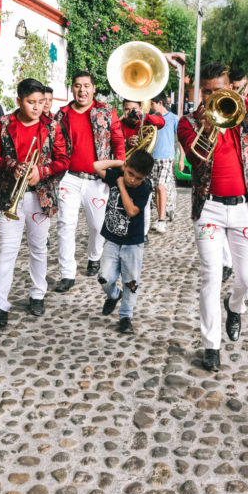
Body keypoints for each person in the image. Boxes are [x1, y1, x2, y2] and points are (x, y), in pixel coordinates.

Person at [177, 59, 248, 372]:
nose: (214, 97)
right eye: (208, 92)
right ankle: (211, 345)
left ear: (230, 87)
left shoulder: (247, 110)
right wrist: (208, 128)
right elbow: (196, 161)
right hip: (209, 208)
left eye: (219, 90)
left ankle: (235, 305)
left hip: (245, 208)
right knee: (211, 276)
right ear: (201, 92)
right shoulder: (189, 122)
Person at [0, 78, 70, 328]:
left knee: (38, 248)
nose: (37, 107)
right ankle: (0, 304)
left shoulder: (52, 126)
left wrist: (42, 171)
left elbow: (63, 159)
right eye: (31, 102)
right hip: (10, 196)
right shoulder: (4, 123)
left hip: (40, 197)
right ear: (19, 101)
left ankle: (37, 294)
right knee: (7, 250)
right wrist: (11, 165)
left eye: (41, 102)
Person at [53, 71, 126, 292]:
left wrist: (120, 165)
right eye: (77, 86)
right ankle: (67, 273)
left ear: (93, 88)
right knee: (66, 224)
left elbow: (117, 140)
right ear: (72, 89)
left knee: (97, 225)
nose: (82, 90)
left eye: (86, 86)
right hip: (70, 178)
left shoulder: (106, 111)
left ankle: (94, 257)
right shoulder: (62, 114)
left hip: (98, 180)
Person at [93, 150, 154, 334]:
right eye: (130, 174)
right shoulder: (118, 174)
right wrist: (120, 164)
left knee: (131, 282)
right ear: (126, 167)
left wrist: (121, 185)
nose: (133, 180)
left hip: (133, 244)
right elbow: (96, 166)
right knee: (104, 276)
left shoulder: (144, 188)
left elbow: (131, 211)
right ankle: (113, 295)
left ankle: (125, 316)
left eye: (138, 177)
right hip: (112, 240)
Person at [121, 99, 164, 235]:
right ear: (123, 110)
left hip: (142, 170)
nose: (131, 112)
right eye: (127, 109)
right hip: (123, 169)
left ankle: (143, 233)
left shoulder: (144, 122)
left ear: (139, 108)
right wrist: (126, 143)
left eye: (134, 108)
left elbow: (161, 122)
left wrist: (143, 115)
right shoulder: (119, 124)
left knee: (143, 203)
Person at [148, 93, 180, 231]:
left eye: (152, 104)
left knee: (161, 186)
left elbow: (180, 139)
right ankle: (159, 217)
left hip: (167, 157)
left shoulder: (173, 118)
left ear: (159, 103)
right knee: (156, 188)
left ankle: (162, 220)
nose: (150, 107)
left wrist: (181, 159)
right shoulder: (151, 118)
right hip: (152, 157)